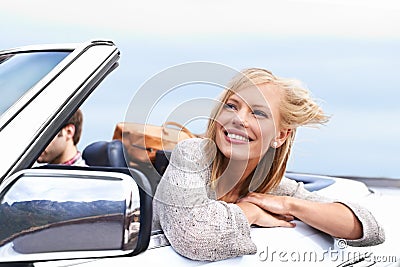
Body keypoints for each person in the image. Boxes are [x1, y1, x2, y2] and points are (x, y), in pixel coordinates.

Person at [152, 68, 385, 261]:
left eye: (258, 113)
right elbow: (193, 236)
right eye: (232, 106)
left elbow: (369, 229)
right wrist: (251, 212)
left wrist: (289, 205)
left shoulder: (270, 188)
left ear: (280, 136)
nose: (239, 119)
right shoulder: (192, 155)